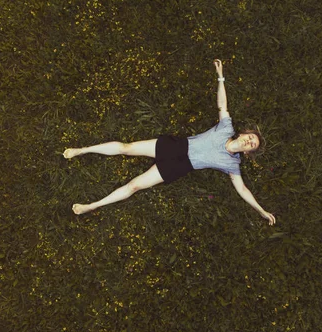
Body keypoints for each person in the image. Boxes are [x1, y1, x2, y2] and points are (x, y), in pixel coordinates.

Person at [63, 59, 277, 225]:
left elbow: (243, 190)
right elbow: (222, 104)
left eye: (253, 145)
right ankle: (81, 150)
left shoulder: (232, 165)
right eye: (250, 137)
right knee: (126, 148)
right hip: (175, 146)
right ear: (242, 134)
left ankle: (91, 206)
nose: (250, 141)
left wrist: (261, 210)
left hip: (180, 166)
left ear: (248, 153)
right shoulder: (226, 128)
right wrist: (220, 77)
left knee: (134, 185)